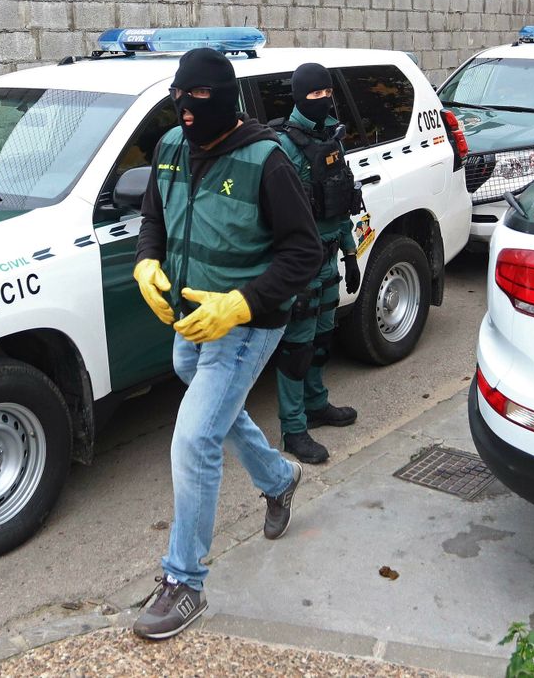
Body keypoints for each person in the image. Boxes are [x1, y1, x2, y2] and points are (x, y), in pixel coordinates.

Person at [130, 47, 322, 641]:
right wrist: (146, 263)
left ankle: (184, 582)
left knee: (194, 438)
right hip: (192, 324)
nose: (187, 112)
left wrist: (239, 305)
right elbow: (154, 218)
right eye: (178, 101)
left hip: (247, 325)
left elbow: (304, 253)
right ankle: (278, 478)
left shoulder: (269, 161)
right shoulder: (168, 149)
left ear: (226, 100)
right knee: (210, 404)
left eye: (199, 101)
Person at [271, 63, 361, 465]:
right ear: (299, 96)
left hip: (330, 262)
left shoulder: (332, 138)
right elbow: (277, 217)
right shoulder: (283, 148)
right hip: (301, 266)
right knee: (297, 348)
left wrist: (351, 253)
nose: (324, 100)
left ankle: (316, 404)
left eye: (329, 93)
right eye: (316, 95)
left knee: (322, 341)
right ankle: (293, 430)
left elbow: (340, 203)